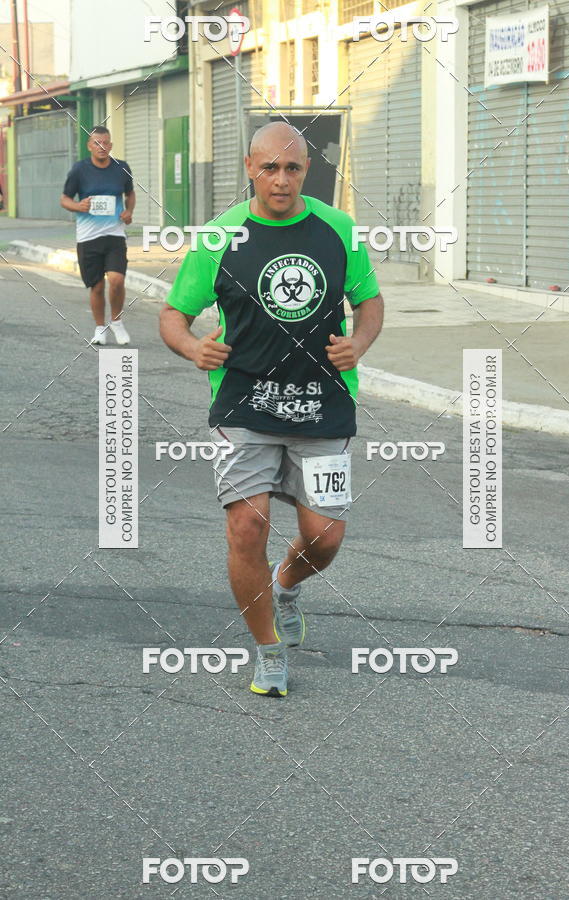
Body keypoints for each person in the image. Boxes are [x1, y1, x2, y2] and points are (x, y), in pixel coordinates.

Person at [159, 121, 383, 698]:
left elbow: (371, 303)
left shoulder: (338, 229)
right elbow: (172, 317)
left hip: (322, 406)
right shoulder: (218, 238)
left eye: (293, 168)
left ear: (307, 170)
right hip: (245, 407)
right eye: (268, 168)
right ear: (249, 168)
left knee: (326, 537)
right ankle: (269, 651)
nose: (280, 180)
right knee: (246, 526)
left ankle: (287, 584)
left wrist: (357, 344)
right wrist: (193, 347)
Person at [60, 125, 135, 346]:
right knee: (97, 286)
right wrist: (77, 206)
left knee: (117, 280)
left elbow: (130, 193)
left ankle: (117, 322)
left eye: (106, 143)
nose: (102, 147)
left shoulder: (122, 168)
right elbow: (64, 199)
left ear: (111, 145)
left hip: (114, 235)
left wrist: (129, 211)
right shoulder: (79, 170)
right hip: (88, 237)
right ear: (89, 146)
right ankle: (100, 328)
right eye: (97, 143)